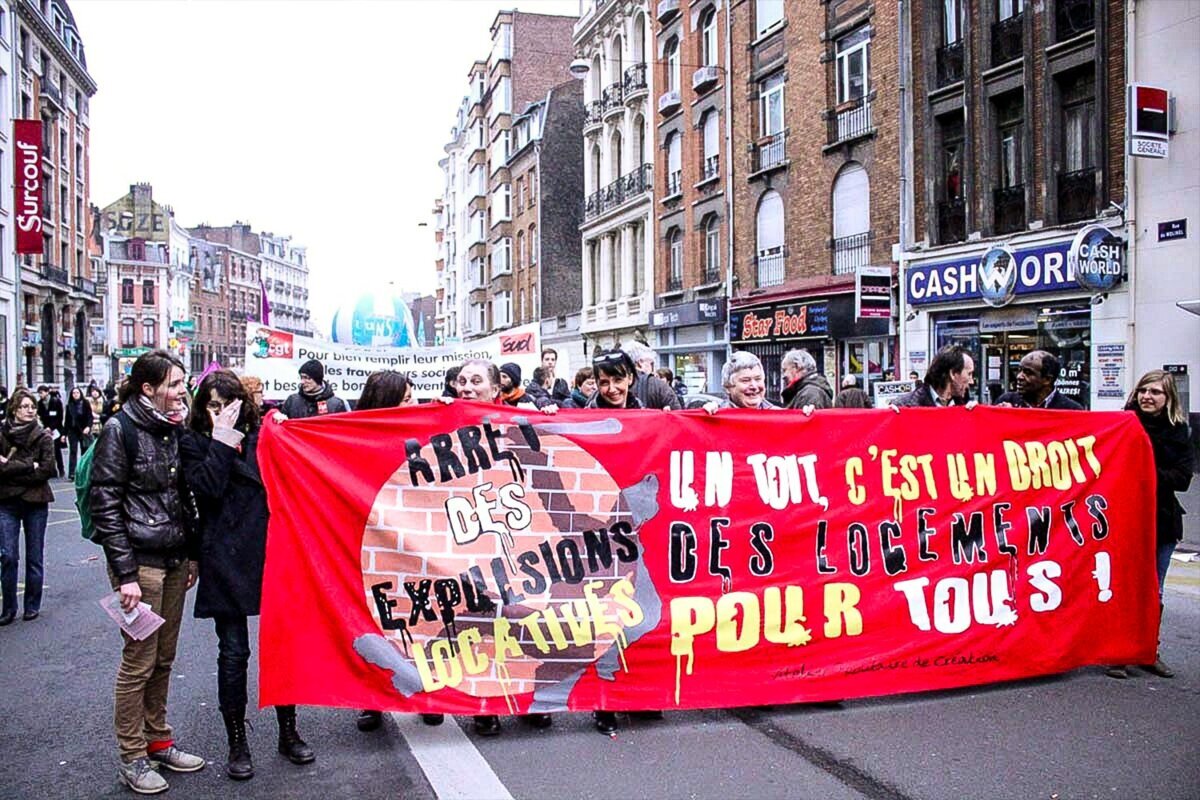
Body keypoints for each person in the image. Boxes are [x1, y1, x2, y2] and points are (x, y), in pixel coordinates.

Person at [180, 369, 315, 780]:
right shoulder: (193, 441)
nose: (219, 413)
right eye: (212, 406)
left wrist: (284, 427)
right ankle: (236, 740)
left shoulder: (263, 436)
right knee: (234, 653)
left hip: (269, 550)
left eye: (228, 406)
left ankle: (288, 730)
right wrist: (222, 440)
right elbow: (206, 489)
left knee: (282, 645)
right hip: (223, 554)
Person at [90, 350, 205, 794]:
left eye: (182, 383)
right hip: (141, 566)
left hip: (174, 560)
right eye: (174, 384)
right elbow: (105, 505)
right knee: (138, 662)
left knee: (163, 658)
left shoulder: (172, 428)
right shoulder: (120, 430)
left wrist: (191, 553)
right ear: (148, 388)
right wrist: (126, 575)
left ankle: (158, 740)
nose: (181, 392)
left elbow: (182, 497)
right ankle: (132, 756)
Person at [440, 359, 555, 735]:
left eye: (476, 381)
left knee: (525, 617)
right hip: (468, 537)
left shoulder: (520, 419)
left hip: (517, 536)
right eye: (462, 381)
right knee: (482, 621)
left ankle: (528, 700)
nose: (467, 387)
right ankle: (486, 705)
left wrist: (551, 417)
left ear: (495, 389)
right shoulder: (441, 419)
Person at [351, 370, 441, 735]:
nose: (413, 404)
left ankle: (428, 695)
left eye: (413, 396)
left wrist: (449, 410)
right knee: (376, 623)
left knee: (422, 621)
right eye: (405, 399)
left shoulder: (423, 429)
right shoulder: (354, 437)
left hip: (416, 544)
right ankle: (372, 700)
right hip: (374, 545)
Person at [1106, 370, 1194, 680]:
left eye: (1156, 392)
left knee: (1154, 592)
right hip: (1123, 519)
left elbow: (1182, 479)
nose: (1147, 396)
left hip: (1162, 521)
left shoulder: (1179, 432)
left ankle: (1147, 651)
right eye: (1143, 390)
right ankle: (1118, 653)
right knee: (1123, 588)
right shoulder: (1121, 425)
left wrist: (1143, 470)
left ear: (1168, 398)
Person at [0, 389, 56, 626]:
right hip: (7, 502)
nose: (30, 410)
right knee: (8, 556)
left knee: (35, 556)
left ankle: (32, 604)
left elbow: (47, 469)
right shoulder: (2, 434)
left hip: (35, 502)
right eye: (24, 406)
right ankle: (8, 608)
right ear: (14, 409)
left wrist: (11, 467)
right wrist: (28, 466)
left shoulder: (43, 436)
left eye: (32, 406)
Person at [995, 350, 1083, 410]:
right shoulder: (1007, 400)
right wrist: (1005, 416)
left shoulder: (1070, 409)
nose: (1019, 376)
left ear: (1047, 379)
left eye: (1028, 373)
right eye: (1019, 370)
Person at [892, 345, 975, 408]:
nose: (972, 381)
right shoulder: (905, 406)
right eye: (969, 374)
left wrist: (976, 416)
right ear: (953, 373)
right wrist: (890, 418)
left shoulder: (964, 404)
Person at [702, 352, 779, 412]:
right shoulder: (715, 417)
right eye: (746, 380)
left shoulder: (778, 416)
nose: (754, 386)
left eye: (758, 379)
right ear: (728, 387)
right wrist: (707, 418)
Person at [621, 342, 681, 410]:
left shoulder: (617, 385)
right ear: (640, 362)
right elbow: (677, 412)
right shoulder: (660, 386)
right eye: (651, 363)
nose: (653, 368)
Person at [281, 359, 348, 419]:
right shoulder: (292, 401)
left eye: (307, 378)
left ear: (317, 379)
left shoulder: (336, 405)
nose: (302, 382)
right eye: (301, 377)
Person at [65, 386, 95, 479]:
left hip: (83, 430)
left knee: (84, 451)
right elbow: (67, 421)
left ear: (80, 393)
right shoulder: (69, 405)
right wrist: (63, 434)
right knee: (73, 451)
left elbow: (90, 417)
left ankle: (83, 471)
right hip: (72, 430)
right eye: (74, 393)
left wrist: (88, 427)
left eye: (77, 392)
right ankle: (72, 473)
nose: (75, 394)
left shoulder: (85, 403)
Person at [37, 385, 66, 477]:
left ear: (47, 392)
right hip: (44, 430)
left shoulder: (56, 401)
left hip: (55, 430)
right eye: (39, 393)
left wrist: (51, 427)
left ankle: (61, 469)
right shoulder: (39, 404)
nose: (40, 395)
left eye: (41, 393)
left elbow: (59, 417)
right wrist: (44, 427)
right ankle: (52, 470)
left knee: (56, 450)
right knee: (47, 450)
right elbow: (39, 416)